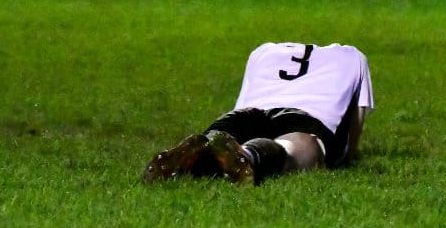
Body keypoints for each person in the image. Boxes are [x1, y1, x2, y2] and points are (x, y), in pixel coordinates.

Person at [142, 42, 374, 185]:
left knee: (219, 141)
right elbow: (354, 133)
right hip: (305, 116)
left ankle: (196, 156)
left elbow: (242, 101)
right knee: (293, 147)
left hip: (247, 112)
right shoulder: (353, 56)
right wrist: (343, 155)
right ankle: (249, 155)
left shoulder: (263, 51)